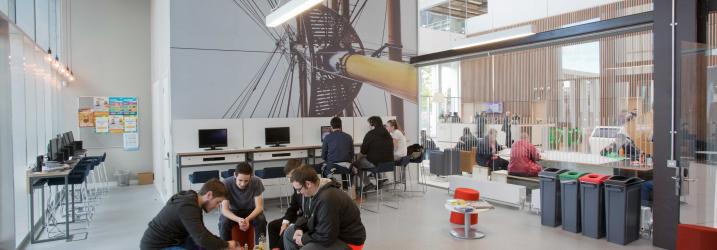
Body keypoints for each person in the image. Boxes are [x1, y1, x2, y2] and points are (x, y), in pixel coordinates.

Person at [140, 179, 239, 250]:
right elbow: (202, 238)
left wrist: (223, 244)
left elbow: (202, 233)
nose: (218, 206)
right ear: (209, 195)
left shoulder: (192, 199)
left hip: (176, 239)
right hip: (157, 247)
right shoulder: (188, 207)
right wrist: (227, 245)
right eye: (218, 202)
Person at [283, 166, 366, 250]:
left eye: (299, 189)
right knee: (289, 233)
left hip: (348, 241)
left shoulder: (328, 199)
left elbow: (326, 236)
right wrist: (299, 228)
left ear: (308, 184)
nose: (298, 192)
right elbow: (307, 216)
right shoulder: (313, 192)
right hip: (331, 234)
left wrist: (303, 239)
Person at [219, 162, 267, 244]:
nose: (243, 184)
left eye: (246, 181)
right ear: (235, 175)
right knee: (223, 223)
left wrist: (247, 219)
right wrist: (239, 220)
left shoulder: (256, 181)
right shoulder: (226, 183)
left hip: (251, 211)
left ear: (251, 177)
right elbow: (225, 210)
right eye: (240, 180)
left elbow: (259, 207)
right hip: (233, 211)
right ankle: (226, 247)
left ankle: (261, 247)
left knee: (261, 220)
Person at [267, 159, 305, 250]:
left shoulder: (306, 184)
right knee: (272, 225)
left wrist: (289, 225)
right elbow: (293, 207)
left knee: (285, 232)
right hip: (298, 216)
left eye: (291, 177)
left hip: (305, 219)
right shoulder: (295, 184)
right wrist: (285, 222)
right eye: (288, 177)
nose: (290, 181)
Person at [356, 116, 394, 194]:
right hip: (389, 164)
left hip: (376, 164)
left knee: (357, 164)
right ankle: (379, 181)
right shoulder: (388, 134)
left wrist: (358, 158)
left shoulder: (370, 134)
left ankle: (368, 184)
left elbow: (363, 151)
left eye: (369, 124)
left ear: (372, 124)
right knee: (373, 160)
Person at [319, 117, 354, 187]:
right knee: (345, 164)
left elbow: (323, 156)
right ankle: (346, 187)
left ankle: (330, 186)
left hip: (332, 167)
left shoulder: (327, 137)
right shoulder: (349, 137)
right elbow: (352, 154)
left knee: (322, 168)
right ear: (341, 126)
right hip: (346, 167)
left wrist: (328, 160)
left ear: (331, 126)